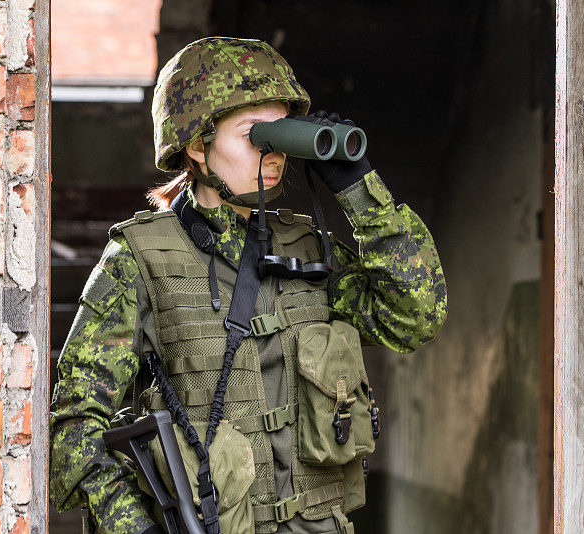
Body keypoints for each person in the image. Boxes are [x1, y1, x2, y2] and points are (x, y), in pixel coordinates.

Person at [49, 37, 447, 534]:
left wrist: (359, 190)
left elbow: (414, 316)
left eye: (282, 133)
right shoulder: (139, 260)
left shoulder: (307, 248)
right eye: (257, 134)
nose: (274, 151)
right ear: (197, 145)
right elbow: (74, 426)